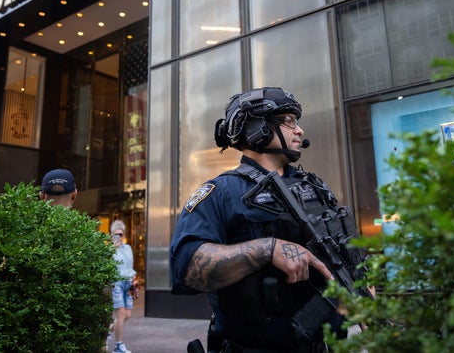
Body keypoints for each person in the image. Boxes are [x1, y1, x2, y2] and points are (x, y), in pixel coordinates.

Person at [170, 87, 367, 353]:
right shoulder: (222, 192)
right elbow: (187, 268)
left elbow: (349, 261)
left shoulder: (316, 189)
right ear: (256, 128)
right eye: (288, 121)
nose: (299, 130)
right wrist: (268, 249)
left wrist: (367, 303)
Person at [110, 219, 137, 353]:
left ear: (124, 235)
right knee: (120, 314)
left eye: (120, 234)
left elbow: (130, 265)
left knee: (127, 315)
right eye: (115, 234)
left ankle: (109, 330)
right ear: (112, 236)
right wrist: (112, 249)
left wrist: (133, 280)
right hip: (117, 283)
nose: (118, 237)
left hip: (128, 283)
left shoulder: (128, 248)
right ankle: (118, 346)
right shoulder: (110, 251)